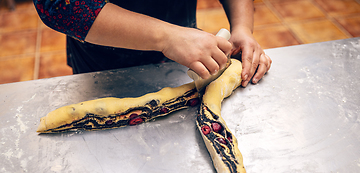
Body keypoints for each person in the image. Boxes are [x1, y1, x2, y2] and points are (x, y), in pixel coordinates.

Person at [33, 0, 271, 87]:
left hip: (184, 63)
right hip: (105, 66)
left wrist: (242, 26)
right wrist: (168, 37)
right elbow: (59, 5)